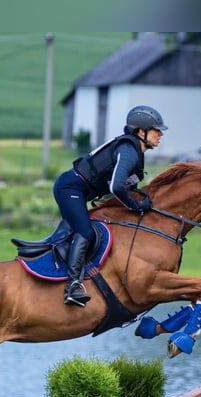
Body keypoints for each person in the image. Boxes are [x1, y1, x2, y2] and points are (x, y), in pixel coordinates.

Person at [53, 105, 167, 307]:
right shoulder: (129, 151)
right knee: (86, 233)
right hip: (69, 188)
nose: (160, 135)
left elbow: (126, 186)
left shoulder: (135, 152)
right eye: (157, 130)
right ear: (141, 132)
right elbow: (116, 187)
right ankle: (72, 286)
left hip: (78, 191)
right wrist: (134, 205)